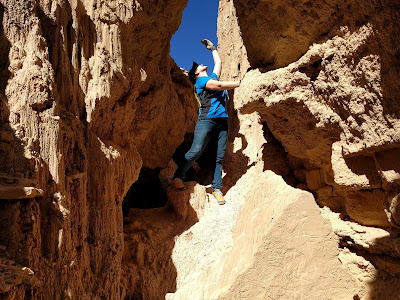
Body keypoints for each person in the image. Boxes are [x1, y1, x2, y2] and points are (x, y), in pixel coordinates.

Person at [171, 39, 240, 205]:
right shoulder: (201, 82)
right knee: (196, 150)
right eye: (198, 65)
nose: (202, 63)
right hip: (207, 120)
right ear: (196, 73)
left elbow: (219, 62)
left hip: (222, 121)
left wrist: (213, 49)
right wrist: (240, 83)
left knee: (219, 156)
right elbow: (220, 85)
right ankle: (178, 177)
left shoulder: (210, 78)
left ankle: (217, 189)